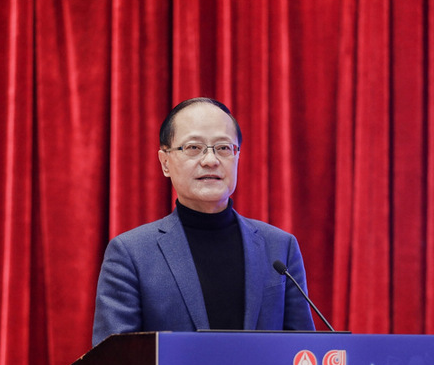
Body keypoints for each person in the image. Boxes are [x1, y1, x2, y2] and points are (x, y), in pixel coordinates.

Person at [92, 97, 315, 346]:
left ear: (237, 157)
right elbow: (113, 362)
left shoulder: (280, 248)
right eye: (193, 147)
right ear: (165, 162)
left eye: (223, 148)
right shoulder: (131, 254)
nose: (210, 160)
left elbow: (303, 354)